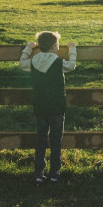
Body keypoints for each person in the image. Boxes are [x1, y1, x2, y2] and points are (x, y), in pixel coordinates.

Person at [18, 31, 77, 184]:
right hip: (57, 106)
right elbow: (71, 66)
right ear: (53, 46)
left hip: (40, 105)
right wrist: (72, 49)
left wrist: (27, 49)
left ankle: (38, 173)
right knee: (56, 140)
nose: (58, 47)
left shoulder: (34, 61)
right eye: (57, 45)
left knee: (41, 139)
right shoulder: (58, 62)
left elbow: (22, 63)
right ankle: (54, 174)